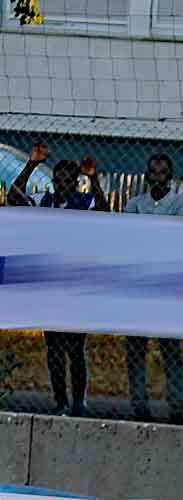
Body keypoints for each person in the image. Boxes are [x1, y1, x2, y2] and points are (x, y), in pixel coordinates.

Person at [14, 144, 111, 417]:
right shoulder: (47, 202)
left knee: (75, 348)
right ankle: (60, 401)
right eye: (59, 180)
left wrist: (93, 179)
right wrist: (32, 164)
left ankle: (79, 401)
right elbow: (14, 196)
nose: (63, 185)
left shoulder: (84, 202)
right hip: (50, 285)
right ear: (53, 181)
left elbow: (106, 214)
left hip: (77, 285)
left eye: (69, 180)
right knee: (54, 347)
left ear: (76, 182)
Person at [122, 153, 183, 424]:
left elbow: (177, 240)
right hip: (138, 286)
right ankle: (139, 406)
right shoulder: (135, 204)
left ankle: (176, 408)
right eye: (153, 172)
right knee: (135, 350)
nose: (157, 178)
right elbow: (129, 239)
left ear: (170, 177)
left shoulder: (181, 204)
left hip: (167, 288)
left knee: (171, 351)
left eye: (163, 173)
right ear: (147, 175)